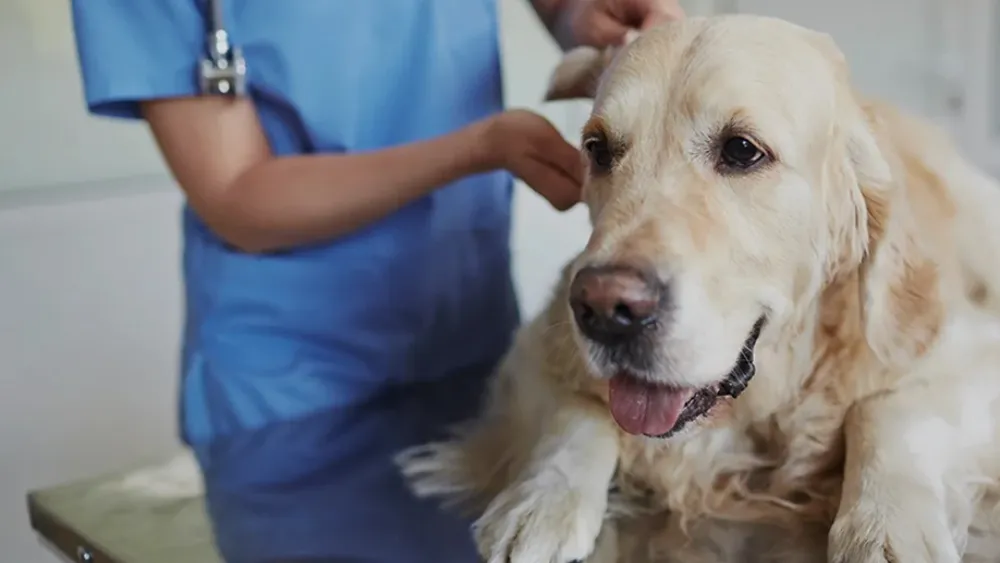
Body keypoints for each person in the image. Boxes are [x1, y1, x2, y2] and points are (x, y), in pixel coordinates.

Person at [70, 1, 683, 561]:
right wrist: (481, 147)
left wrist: (578, 15)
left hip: (469, 333)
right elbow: (233, 190)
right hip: (292, 381)